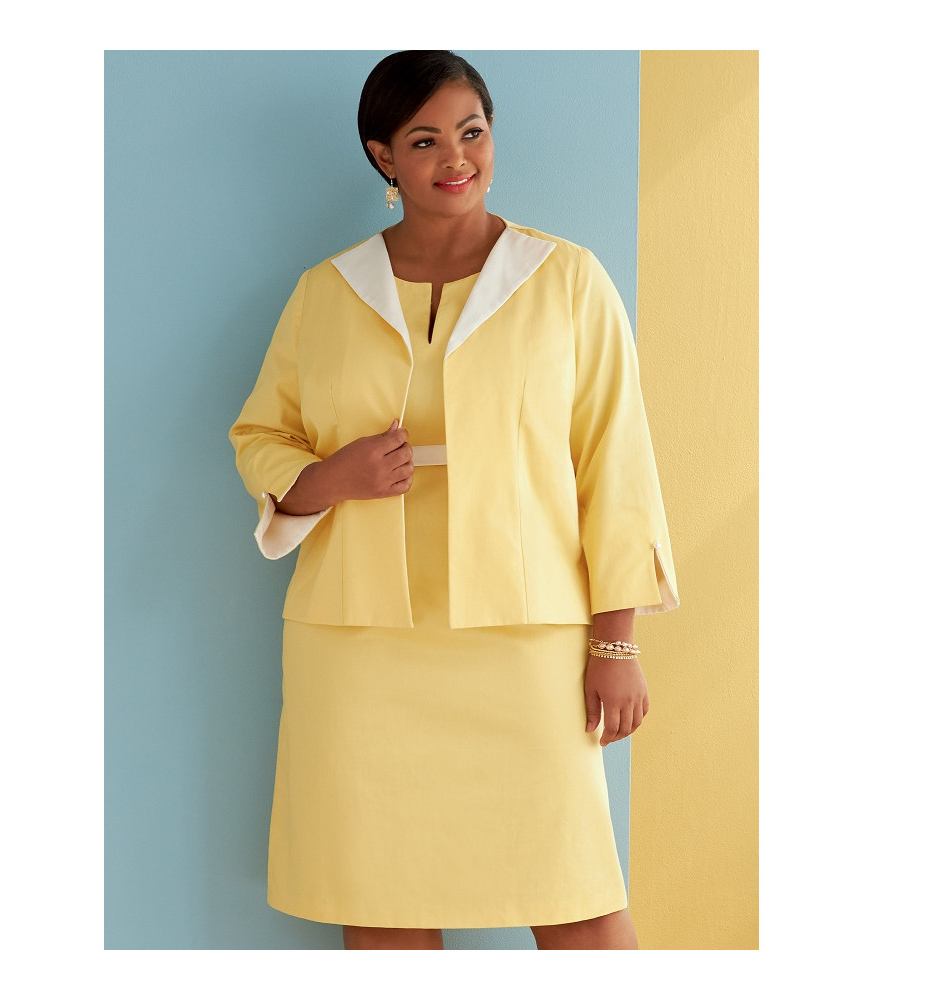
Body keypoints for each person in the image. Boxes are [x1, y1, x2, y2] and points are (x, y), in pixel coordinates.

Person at [229, 50, 679, 951]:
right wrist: (333, 478)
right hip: (360, 645)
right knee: (382, 896)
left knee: (576, 893)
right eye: (425, 140)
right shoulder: (327, 291)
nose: (455, 158)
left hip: (526, 638)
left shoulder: (567, 280)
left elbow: (616, 465)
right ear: (384, 157)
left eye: (471, 132)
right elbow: (260, 434)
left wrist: (616, 641)